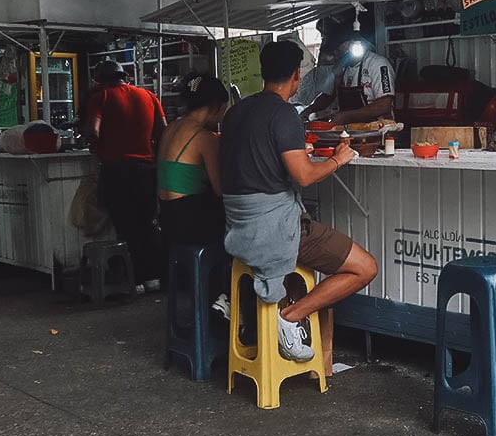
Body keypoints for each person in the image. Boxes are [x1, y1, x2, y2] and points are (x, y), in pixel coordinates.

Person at [219, 40, 378, 361]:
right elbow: (304, 176)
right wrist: (338, 159)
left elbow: (251, 161)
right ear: (295, 75)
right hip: (275, 230)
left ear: (264, 74)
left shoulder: (235, 113)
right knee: (365, 267)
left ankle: (279, 314)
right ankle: (289, 317)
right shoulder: (284, 114)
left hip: (238, 230)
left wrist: (291, 155)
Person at [85, 59, 167, 293]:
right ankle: (154, 277)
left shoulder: (101, 97)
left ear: (100, 81)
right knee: (148, 223)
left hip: (116, 171)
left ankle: (135, 280)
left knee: (125, 225)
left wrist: (96, 144)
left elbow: (93, 131)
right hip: (146, 170)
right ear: (125, 76)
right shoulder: (149, 96)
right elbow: (163, 130)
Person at [157, 74, 229, 247]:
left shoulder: (171, 128)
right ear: (215, 106)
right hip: (189, 222)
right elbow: (220, 189)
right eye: (222, 111)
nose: (221, 118)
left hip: (166, 218)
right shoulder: (205, 138)